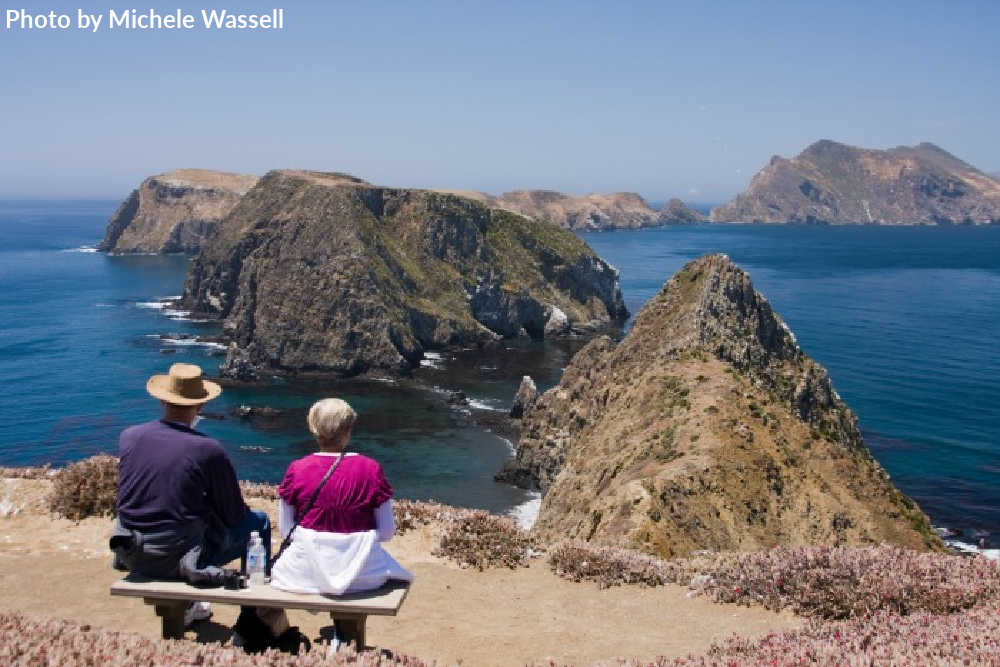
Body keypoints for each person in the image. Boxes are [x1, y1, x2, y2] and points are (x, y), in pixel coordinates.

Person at [110, 363, 271, 625]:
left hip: (133, 553)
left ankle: (190, 606)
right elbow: (233, 515)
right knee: (259, 522)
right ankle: (252, 620)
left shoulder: (129, 437)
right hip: (180, 558)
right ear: (201, 406)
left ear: (162, 399)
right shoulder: (207, 449)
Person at [270, 398, 412, 598]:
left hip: (305, 575)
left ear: (313, 429)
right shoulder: (371, 469)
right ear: (347, 431)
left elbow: (286, 530)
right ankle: (344, 629)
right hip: (363, 575)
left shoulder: (297, 469)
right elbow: (387, 532)